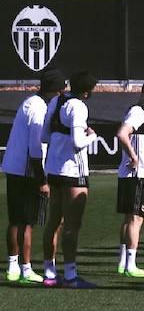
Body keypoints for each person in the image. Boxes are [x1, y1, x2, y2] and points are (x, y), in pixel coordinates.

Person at [3, 69, 65, 284]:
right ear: (56, 90)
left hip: (15, 168)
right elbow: (35, 149)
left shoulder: (30, 103)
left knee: (16, 219)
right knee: (26, 222)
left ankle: (12, 266)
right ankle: (26, 269)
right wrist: (42, 180)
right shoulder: (39, 108)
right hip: (27, 171)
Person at [41, 70, 99, 288]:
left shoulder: (56, 100)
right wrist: (92, 135)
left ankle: (49, 273)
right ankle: (71, 276)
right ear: (86, 92)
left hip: (54, 170)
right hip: (73, 172)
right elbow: (78, 141)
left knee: (54, 221)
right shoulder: (78, 106)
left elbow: (44, 136)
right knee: (72, 226)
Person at [116, 81, 144, 278]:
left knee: (129, 219)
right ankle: (131, 265)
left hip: (130, 176)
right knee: (136, 219)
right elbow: (122, 134)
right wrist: (134, 157)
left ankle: (123, 261)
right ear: (142, 94)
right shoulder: (138, 113)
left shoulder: (140, 112)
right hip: (137, 175)